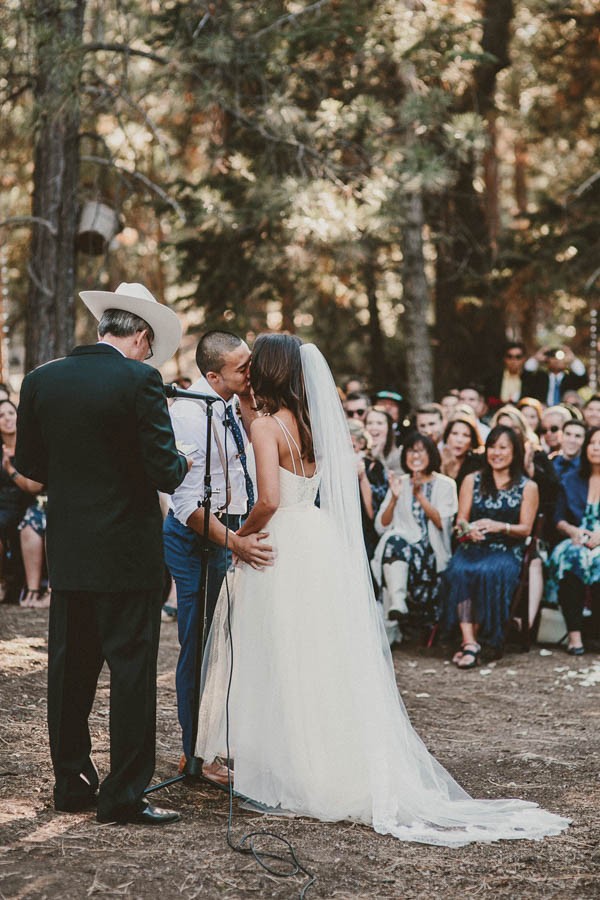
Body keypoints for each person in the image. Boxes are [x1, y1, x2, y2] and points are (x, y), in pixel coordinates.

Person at [195, 336, 567, 844]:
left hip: (281, 539)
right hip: (317, 539)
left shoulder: (264, 425)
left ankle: (290, 762)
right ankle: (319, 752)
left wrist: (239, 539)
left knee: (279, 652)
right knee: (319, 654)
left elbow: (269, 498)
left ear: (271, 372)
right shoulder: (306, 422)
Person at [15, 282, 189, 826]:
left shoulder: (40, 380)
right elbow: (165, 470)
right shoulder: (141, 381)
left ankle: (71, 783)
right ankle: (122, 796)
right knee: (132, 675)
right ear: (138, 336)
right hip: (129, 556)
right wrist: (184, 461)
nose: (148, 356)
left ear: (100, 330)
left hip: (70, 552)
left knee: (70, 672)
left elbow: (33, 468)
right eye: (149, 346)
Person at [163, 331, 274, 778]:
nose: (252, 371)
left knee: (226, 641)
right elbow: (186, 505)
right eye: (242, 368)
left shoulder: (231, 401)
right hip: (195, 539)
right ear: (212, 375)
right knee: (199, 641)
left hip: (229, 528)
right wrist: (236, 543)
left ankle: (218, 740)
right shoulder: (190, 414)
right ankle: (195, 754)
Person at [441, 426, 539, 666]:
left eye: (503, 447)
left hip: (506, 550)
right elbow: (460, 521)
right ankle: (469, 642)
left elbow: (526, 529)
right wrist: (468, 531)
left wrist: (500, 526)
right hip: (473, 547)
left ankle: (481, 639)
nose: (496, 453)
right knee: (459, 571)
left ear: (514, 452)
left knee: (488, 572)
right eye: (492, 447)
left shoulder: (528, 487)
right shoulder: (471, 480)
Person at [371, 433, 457, 639]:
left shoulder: (446, 484)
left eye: (421, 451)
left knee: (394, 543)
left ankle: (396, 606)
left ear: (431, 454)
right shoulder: (400, 482)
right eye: (410, 451)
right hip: (401, 552)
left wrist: (419, 494)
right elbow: (381, 527)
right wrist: (394, 498)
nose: (415, 456)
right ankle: (398, 602)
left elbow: (442, 524)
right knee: (394, 540)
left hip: (431, 555)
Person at [546, 427, 600, 655]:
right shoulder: (570, 478)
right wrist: (572, 532)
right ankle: (574, 635)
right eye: (593, 443)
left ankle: (595, 632)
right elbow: (557, 518)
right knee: (573, 557)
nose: (596, 448)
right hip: (575, 538)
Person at [0, 399, 40, 603]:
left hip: (25, 503)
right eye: (1, 415)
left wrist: (10, 469)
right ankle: (3, 581)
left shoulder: (29, 448)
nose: (7, 418)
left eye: (10, 413)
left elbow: (34, 487)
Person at [486, 341, 541, 407]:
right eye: (509, 356)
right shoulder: (494, 378)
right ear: (504, 359)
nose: (513, 360)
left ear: (524, 359)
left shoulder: (532, 379)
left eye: (518, 357)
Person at [440, 414, 483, 491]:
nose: (459, 440)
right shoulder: (435, 460)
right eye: (454, 433)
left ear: (472, 441)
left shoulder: (478, 463)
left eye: (466, 435)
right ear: (447, 437)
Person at [365, 406, 402, 472]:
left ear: (388, 428)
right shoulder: (359, 453)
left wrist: (379, 457)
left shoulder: (398, 456)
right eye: (369, 423)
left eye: (379, 423)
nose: (374, 427)